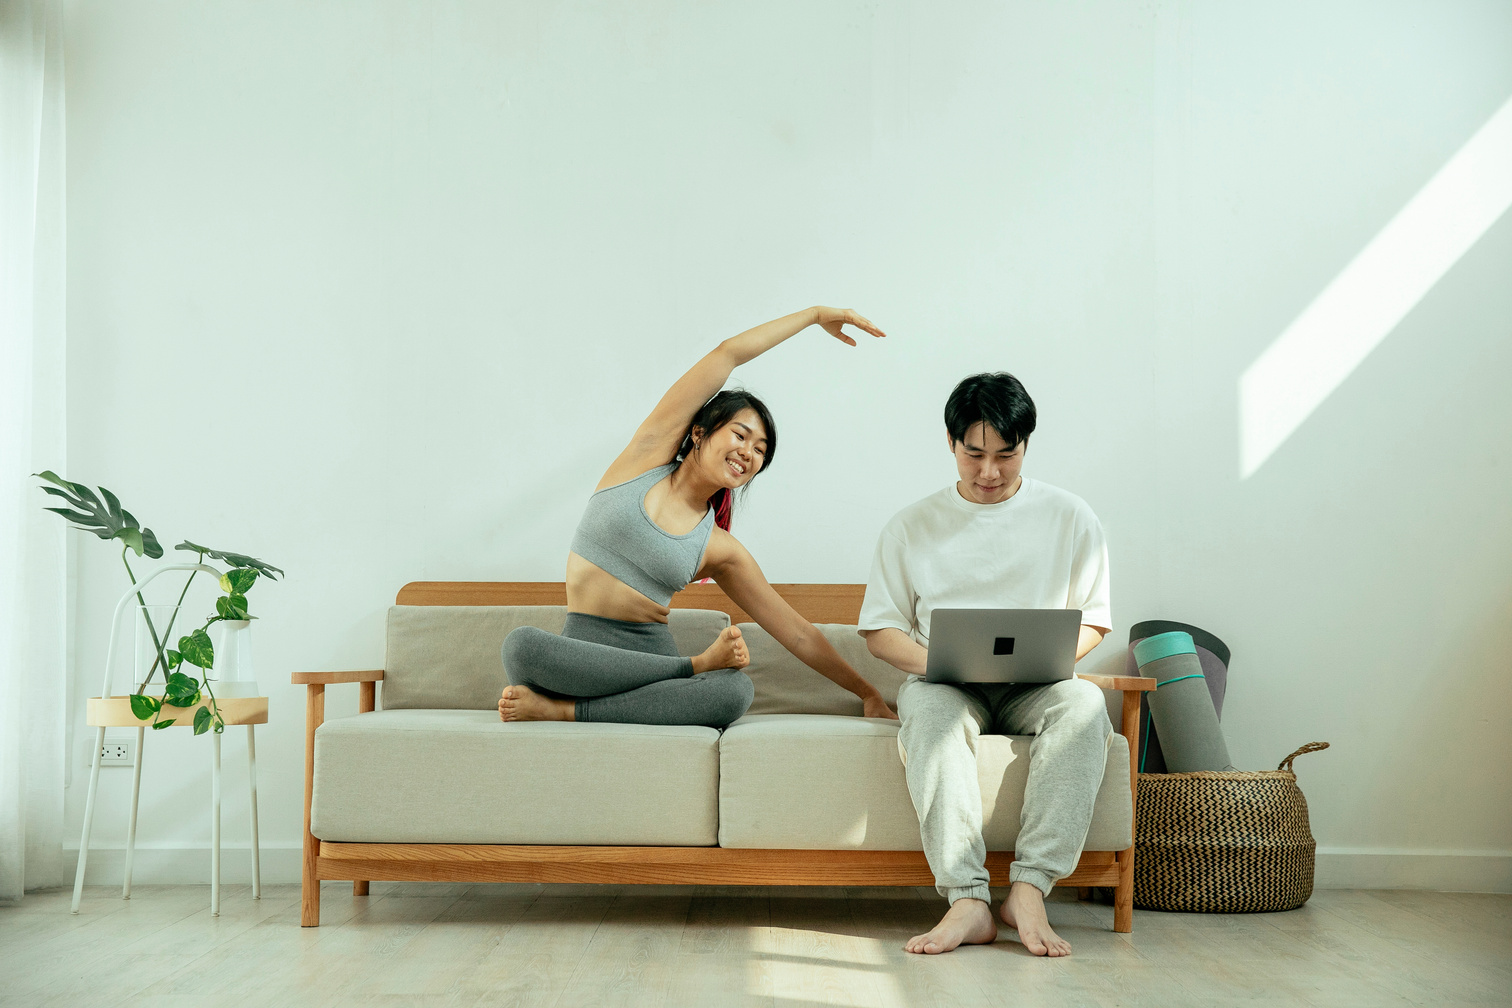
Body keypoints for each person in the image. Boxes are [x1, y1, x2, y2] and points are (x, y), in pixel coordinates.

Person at [499, 306, 899, 728]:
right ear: (699, 432)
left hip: (650, 670)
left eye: (760, 450)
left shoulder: (719, 548)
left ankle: (566, 710)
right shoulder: (644, 458)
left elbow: (798, 633)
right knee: (520, 647)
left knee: (735, 691)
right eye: (741, 435)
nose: (748, 452)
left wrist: (868, 692)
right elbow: (728, 354)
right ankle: (690, 667)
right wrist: (814, 315)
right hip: (584, 658)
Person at [858, 372, 1113, 957]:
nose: (990, 472)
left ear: (1026, 445)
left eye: (1007, 455)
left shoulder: (1072, 517)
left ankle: (1029, 889)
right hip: (946, 683)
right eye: (974, 454)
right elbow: (879, 631)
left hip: (1037, 686)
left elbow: (1095, 619)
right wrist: (941, 664)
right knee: (925, 709)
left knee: (1086, 703)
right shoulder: (910, 525)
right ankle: (967, 899)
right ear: (951, 445)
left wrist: (1046, 661)